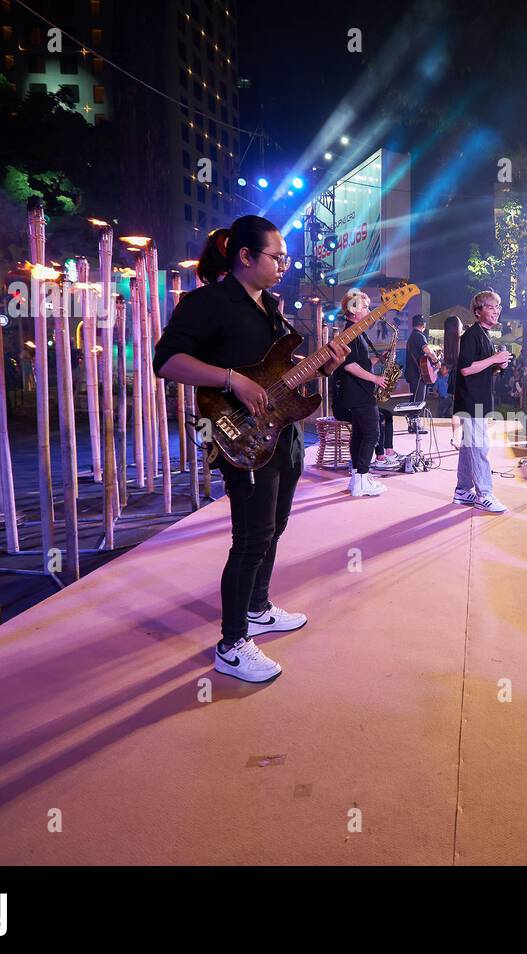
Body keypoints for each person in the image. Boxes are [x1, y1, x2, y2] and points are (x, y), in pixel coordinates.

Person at [154, 215, 349, 683]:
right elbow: (167, 361)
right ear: (245, 257)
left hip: (281, 434)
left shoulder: (272, 307)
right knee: (250, 539)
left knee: (275, 526)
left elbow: (276, 370)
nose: (284, 264)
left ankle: (258, 607)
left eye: (285, 257)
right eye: (276, 256)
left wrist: (322, 366)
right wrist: (230, 379)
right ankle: (232, 642)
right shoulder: (209, 303)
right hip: (239, 435)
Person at [453, 290, 510, 512]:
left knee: (470, 446)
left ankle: (462, 490)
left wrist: (498, 365)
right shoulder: (471, 336)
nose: (496, 311)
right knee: (479, 446)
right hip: (472, 399)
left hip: (479, 398)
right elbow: (466, 369)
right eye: (491, 307)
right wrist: (495, 359)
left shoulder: (484, 335)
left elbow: (481, 369)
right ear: (478, 312)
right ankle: (484, 494)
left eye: (498, 307)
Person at [331, 288, 390, 497]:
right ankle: (363, 479)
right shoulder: (351, 333)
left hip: (355, 392)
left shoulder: (355, 332)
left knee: (359, 434)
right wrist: (375, 378)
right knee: (372, 433)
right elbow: (349, 366)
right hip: (359, 393)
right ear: (354, 310)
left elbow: (359, 362)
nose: (368, 310)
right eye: (365, 307)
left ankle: (357, 477)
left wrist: (376, 361)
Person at [404, 314, 435, 434]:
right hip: (417, 374)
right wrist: (436, 360)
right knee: (418, 400)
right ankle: (414, 426)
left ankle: (412, 424)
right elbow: (428, 351)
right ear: (423, 325)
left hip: (413, 373)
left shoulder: (412, 336)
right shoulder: (419, 336)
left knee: (414, 400)